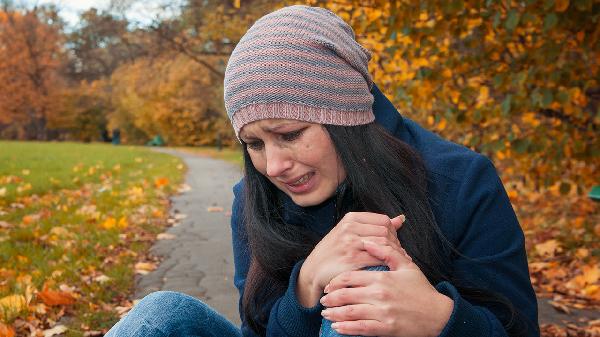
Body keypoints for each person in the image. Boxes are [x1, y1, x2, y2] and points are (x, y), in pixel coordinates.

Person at [105, 5, 539, 337]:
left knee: (361, 291)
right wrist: (306, 283)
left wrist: (440, 317)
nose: (273, 166)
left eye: (290, 134)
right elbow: (258, 328)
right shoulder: (253, 196)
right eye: (254, 144)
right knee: (160, 315)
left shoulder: (461, 180)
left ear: (344, 116)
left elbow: (518, 327)